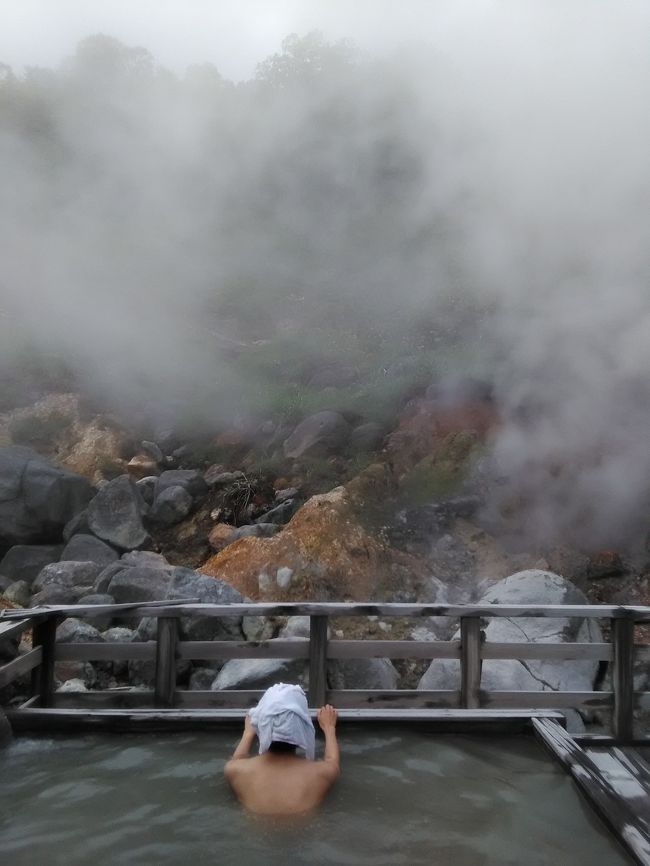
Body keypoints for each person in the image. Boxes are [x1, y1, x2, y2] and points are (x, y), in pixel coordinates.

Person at [224, 683, 340, 816]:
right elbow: (332, 761)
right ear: (302, 729)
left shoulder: (234, 770)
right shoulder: (322, 773)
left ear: (262, 725)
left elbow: (238, 758)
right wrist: (329, 728)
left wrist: (248, 733)